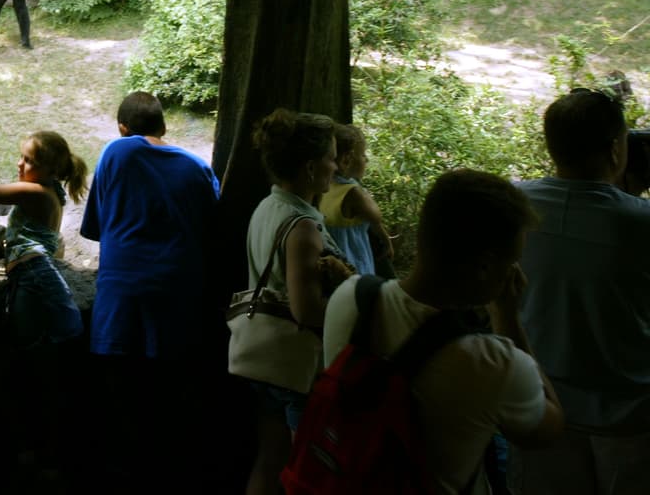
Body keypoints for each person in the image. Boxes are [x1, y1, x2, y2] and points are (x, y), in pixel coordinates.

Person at [323, 169, 565, 495]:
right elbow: (549, 428)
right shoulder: (492, 362)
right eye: (513, 260)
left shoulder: (350, 298)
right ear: (485, 266)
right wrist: (507, 317)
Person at [80, 91, 220, 488]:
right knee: (169, 401)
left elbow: (93, 229)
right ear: (165, 126)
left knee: (122, 400)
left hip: (121, 300)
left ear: (122, 129)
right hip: (180, 300)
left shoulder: (117, 152)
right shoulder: (198, 169)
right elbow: (214, 231)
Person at [514, 88, 650, 494]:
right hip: (631, 415)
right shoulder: (640, 221)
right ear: (614, 150)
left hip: (538, 403)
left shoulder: (512, 204)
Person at [0, 132, 87, 480]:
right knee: (37, 367)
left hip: (34, 282)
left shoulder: (34, 192)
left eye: (29, 160)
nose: (20, 164)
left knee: (30, 366)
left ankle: (40, 457)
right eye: (21, 156)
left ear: (49, 169)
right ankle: (42, 452)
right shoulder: (51, 192)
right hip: (32, 279)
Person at [238, 108, 352, 495]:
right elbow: (306, 310)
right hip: (296, 369)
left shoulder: (269, 206)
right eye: (332, 157)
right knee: (304, 472)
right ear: (309, 168)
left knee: (270, 459)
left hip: (265, 359)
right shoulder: (303, 226)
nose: (336, 166)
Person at [318, 122, 393, 277]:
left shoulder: (324, 186)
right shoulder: (353, 192)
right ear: (348, 160)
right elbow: (376, 216)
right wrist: (387, 242)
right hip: (354, 259)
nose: (367, 160)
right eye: (363, 155)